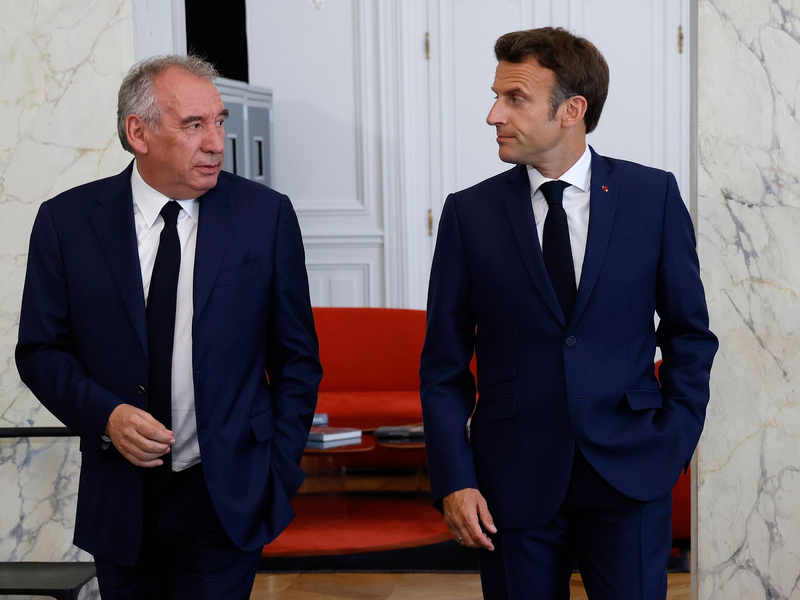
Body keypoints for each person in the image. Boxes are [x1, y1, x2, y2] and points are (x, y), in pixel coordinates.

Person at [420, 27, 717, 600]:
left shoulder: (651, 197)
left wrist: (673, 440)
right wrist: (455, 481)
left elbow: (689, 335)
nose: (492, 114)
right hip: (511, 480)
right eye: (496, 95)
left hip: (632, 468)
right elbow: (443, 367)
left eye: (515, 98)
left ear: (572, 110)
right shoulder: (468, 214)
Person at [16, 55, 322, 599]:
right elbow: (41, 350)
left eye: (220, 122)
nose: (216, 143)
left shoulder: (265, 216)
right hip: (120, 498)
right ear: (140, 132)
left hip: (224, 493)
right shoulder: (67, 222)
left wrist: (275, 468)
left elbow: (297, 359)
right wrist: (105, 415)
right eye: (194, 125)